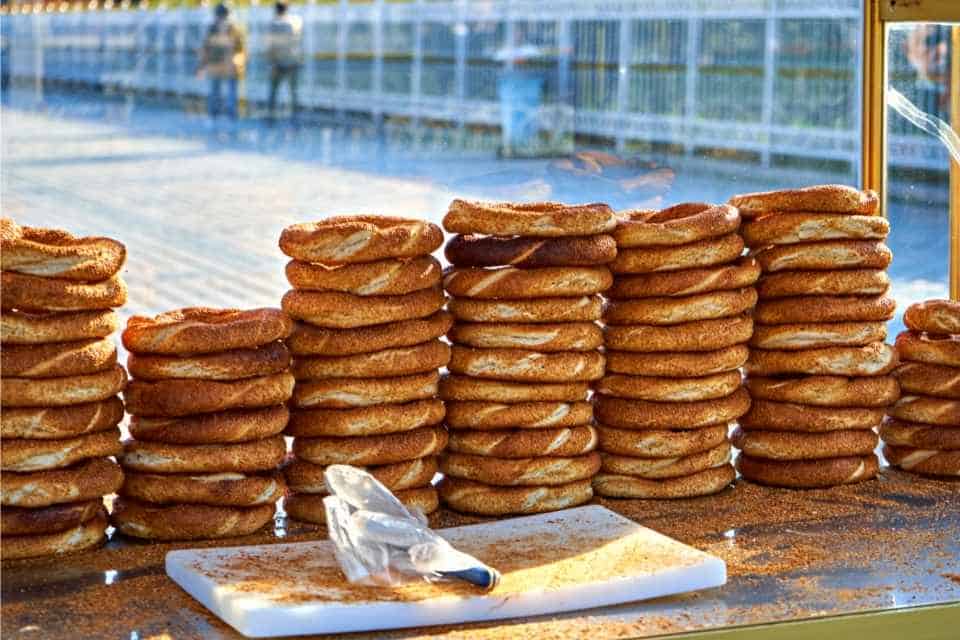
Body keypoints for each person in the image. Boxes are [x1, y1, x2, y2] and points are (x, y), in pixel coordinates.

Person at [199, 3, 246, 123]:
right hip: (216, 65)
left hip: (230, 66)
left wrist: (237, 61)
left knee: (231, 94)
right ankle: (214, 116)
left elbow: (241, 49)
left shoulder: (235, 29)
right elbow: (206, 48)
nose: (222, 19)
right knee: (215, 92)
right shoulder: (212, 29)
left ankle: (232, 116)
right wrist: (202, 65)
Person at [266, 2, 303, 121]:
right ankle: (295, 116)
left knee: (273, 91)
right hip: (293, 61)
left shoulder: (274, 25)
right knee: (294, 91)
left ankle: (271, 116)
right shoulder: (296, 21)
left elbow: (270, 46)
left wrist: (271, 62)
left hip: (278, 62)